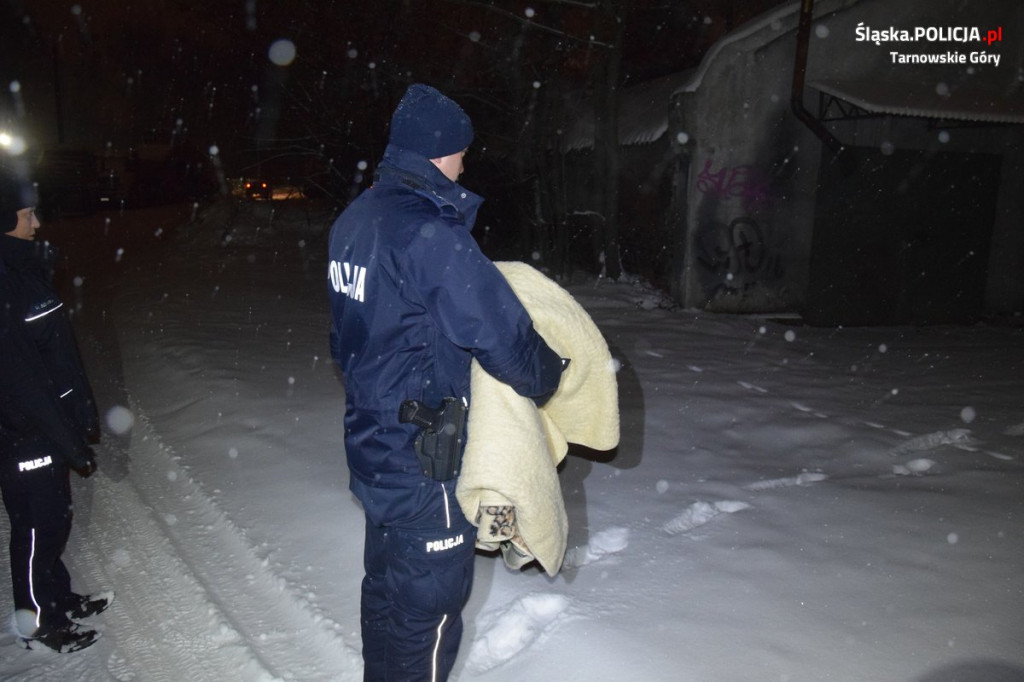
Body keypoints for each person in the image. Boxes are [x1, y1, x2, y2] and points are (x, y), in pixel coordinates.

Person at [327, 83, 565, 681]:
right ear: (439, 154)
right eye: (462, 152)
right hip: (425, 458)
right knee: (427, 613)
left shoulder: (356, 220)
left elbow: (345, 340)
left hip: (373, 443)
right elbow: (500, 334)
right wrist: (550, 374)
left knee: (386, 593)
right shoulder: (427, 232)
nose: (466, 163)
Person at [0, 168, 110, 653]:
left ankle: (56, 598)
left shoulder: (23, 270)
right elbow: (23, 382)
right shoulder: (5, 284)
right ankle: (35, 620)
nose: (37, 223)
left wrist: (80, 414)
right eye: (28, 214)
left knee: (54, 519)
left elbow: (59, 356)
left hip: (46, 428)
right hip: (25, 432)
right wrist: (66, 440)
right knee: (35, 526)